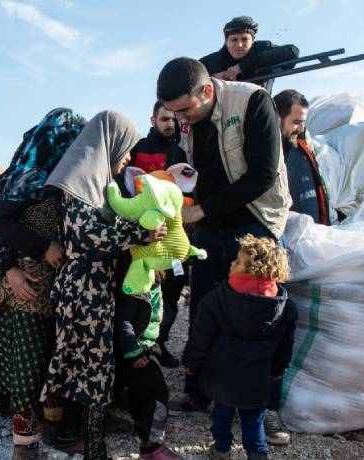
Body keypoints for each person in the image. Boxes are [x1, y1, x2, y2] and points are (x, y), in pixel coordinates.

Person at [157, 57, 292, 413]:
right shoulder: (188, 119)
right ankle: (198, 392)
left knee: (257, 314)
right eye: (174, 114)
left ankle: (259, 406)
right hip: (211, 228)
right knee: (204, 310)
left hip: (255, 222)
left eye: (185, 110)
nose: (181, 120)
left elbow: (263, 175)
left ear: (205, 90)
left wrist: (199, 211)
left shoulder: (252, 102)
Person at [0, 108, 86, 460]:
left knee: (19, 357)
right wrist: (12, 270)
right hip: (6, 274)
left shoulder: (58, 177)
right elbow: (0, 225)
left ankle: (14, 418)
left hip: (34, 282)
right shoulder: (29, 174)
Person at [39, 111, 165, 460]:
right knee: (93, 371)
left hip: (92, 288)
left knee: (87, 368)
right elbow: (86, 236)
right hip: (84, 292)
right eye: (124, 150)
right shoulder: (79, 184)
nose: (127, 159)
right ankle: (93, 450)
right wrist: (139, 232)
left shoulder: (95, 184)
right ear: (108, 144)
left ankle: (79, 439)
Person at [182, 235, 297, 460]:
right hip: (258, 379)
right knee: (254, 420)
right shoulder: (285, 308)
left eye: (237, 262)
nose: (231, 264)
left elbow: (200, 337)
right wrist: (277, 370)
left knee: (222, 416)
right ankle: (257, 453)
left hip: (222, 378)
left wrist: (191, 363)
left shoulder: (216, 300)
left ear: (252, 270)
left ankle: (222, 449)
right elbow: (285, 345)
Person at [131, 101, 189, 368]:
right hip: (145, 239)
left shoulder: (181, 155)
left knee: (172, 292)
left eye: (174, 120)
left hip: (174, 241)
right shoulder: (137, 150)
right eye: (165, 119)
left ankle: (159, 343)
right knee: (142, 292)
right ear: (153, 120)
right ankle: (137, 345)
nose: (171, 124)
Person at [114, 280, 180, 459]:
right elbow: (122, 319)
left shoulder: (152, 275)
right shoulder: (135, 278)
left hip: (146, 344)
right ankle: (150, 446)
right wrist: (133, 352)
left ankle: (148, 425)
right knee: (156, 393)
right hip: (135, 348)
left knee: (140, 389)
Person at [273, 89, 332, 226]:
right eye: (296, 122)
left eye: (303, 122)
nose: (301, 128)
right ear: (277, 118)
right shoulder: (265, 156)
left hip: (316, 236)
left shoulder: (304, 145)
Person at [200, 16, 299, 91]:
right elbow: (187, 73)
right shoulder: (213, 61)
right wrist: (211, 79)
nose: (239, 45)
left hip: (257, 111)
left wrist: (242, 67)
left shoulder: (263, 49)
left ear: (253, 40)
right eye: (234, 40)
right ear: (226, 41)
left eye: (244, 39)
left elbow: (293, 52)